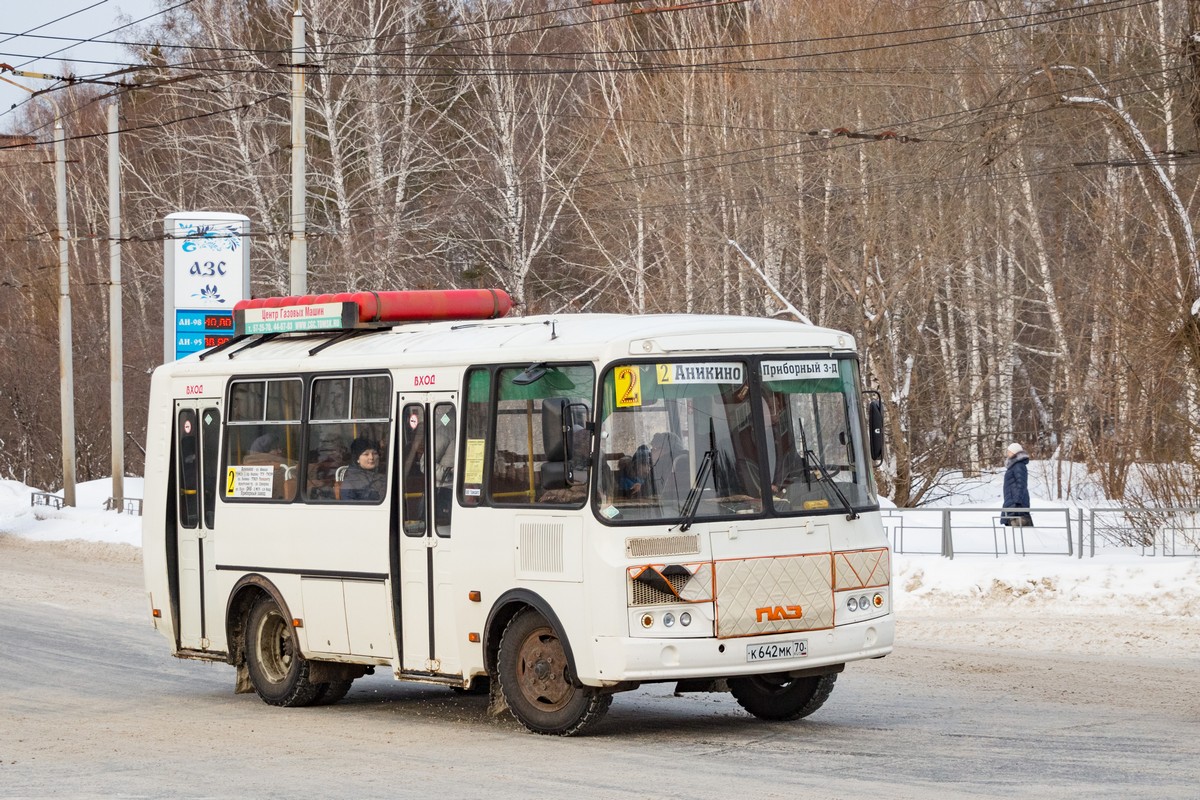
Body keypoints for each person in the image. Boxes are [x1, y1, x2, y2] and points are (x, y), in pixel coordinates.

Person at [243, 433, 294, 500]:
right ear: (264, 453)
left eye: (280, 448)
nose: (280, 451)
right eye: (275, 448)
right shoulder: (280, 471)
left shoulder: (245, 469)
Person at [341, 437, 386, 501]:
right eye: (366, 454)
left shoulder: (387, 474)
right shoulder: (351, 481)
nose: (371, 457)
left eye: (375, 453)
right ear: (357, 459)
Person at [1001, 442, 1033, 527]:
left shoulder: (1019, 465)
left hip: (1016, 504)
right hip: (1012, 502)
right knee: (1013, 532)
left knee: (1021, 533)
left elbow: (1021, 483)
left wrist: (1017, 501)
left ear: (1015, 452)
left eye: (1009, 451)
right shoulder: (1013, 465)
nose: (1007, 453)